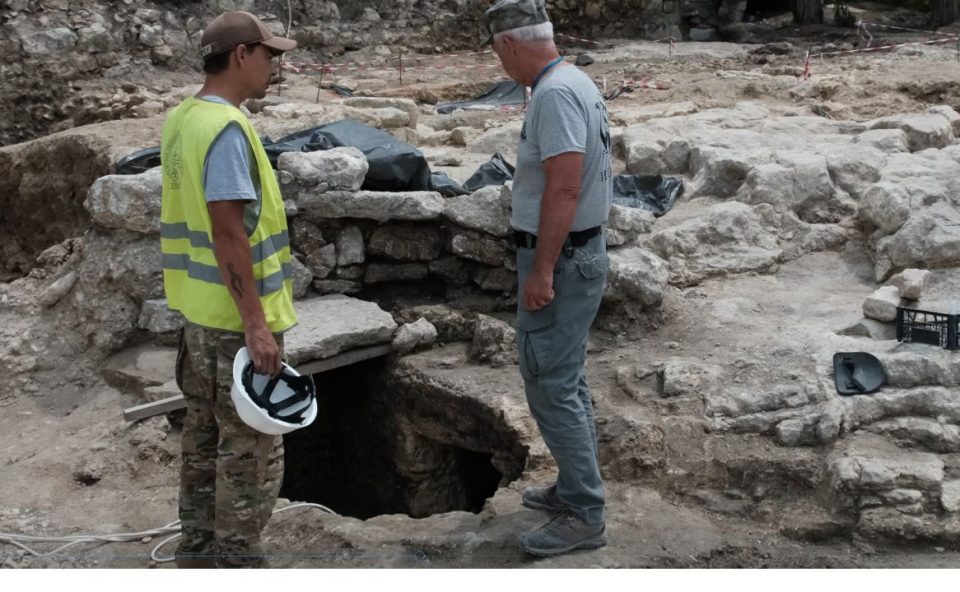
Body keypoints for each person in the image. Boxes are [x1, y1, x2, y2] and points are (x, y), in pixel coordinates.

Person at [159, 11, 298, 568]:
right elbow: (227, 231)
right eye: (271, 56)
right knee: (250, 453)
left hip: (197, 316)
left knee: (203, 439)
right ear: (241, 54)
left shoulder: (182, 119)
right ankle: (237, 563)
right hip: (235, 324)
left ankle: (195, 553)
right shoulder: (227, 130)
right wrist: (258, 326)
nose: (276, 67)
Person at [484, 0, 613, 557]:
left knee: (550, 383)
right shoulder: (573, 80)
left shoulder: (555, 94)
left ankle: (584, 511)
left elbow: (564, 188)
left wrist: (540, 271)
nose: (500, 66)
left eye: (497, 54)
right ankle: (573, 486)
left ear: (508, 44)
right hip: (576, 254)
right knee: (566, 375)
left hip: (559, 260)